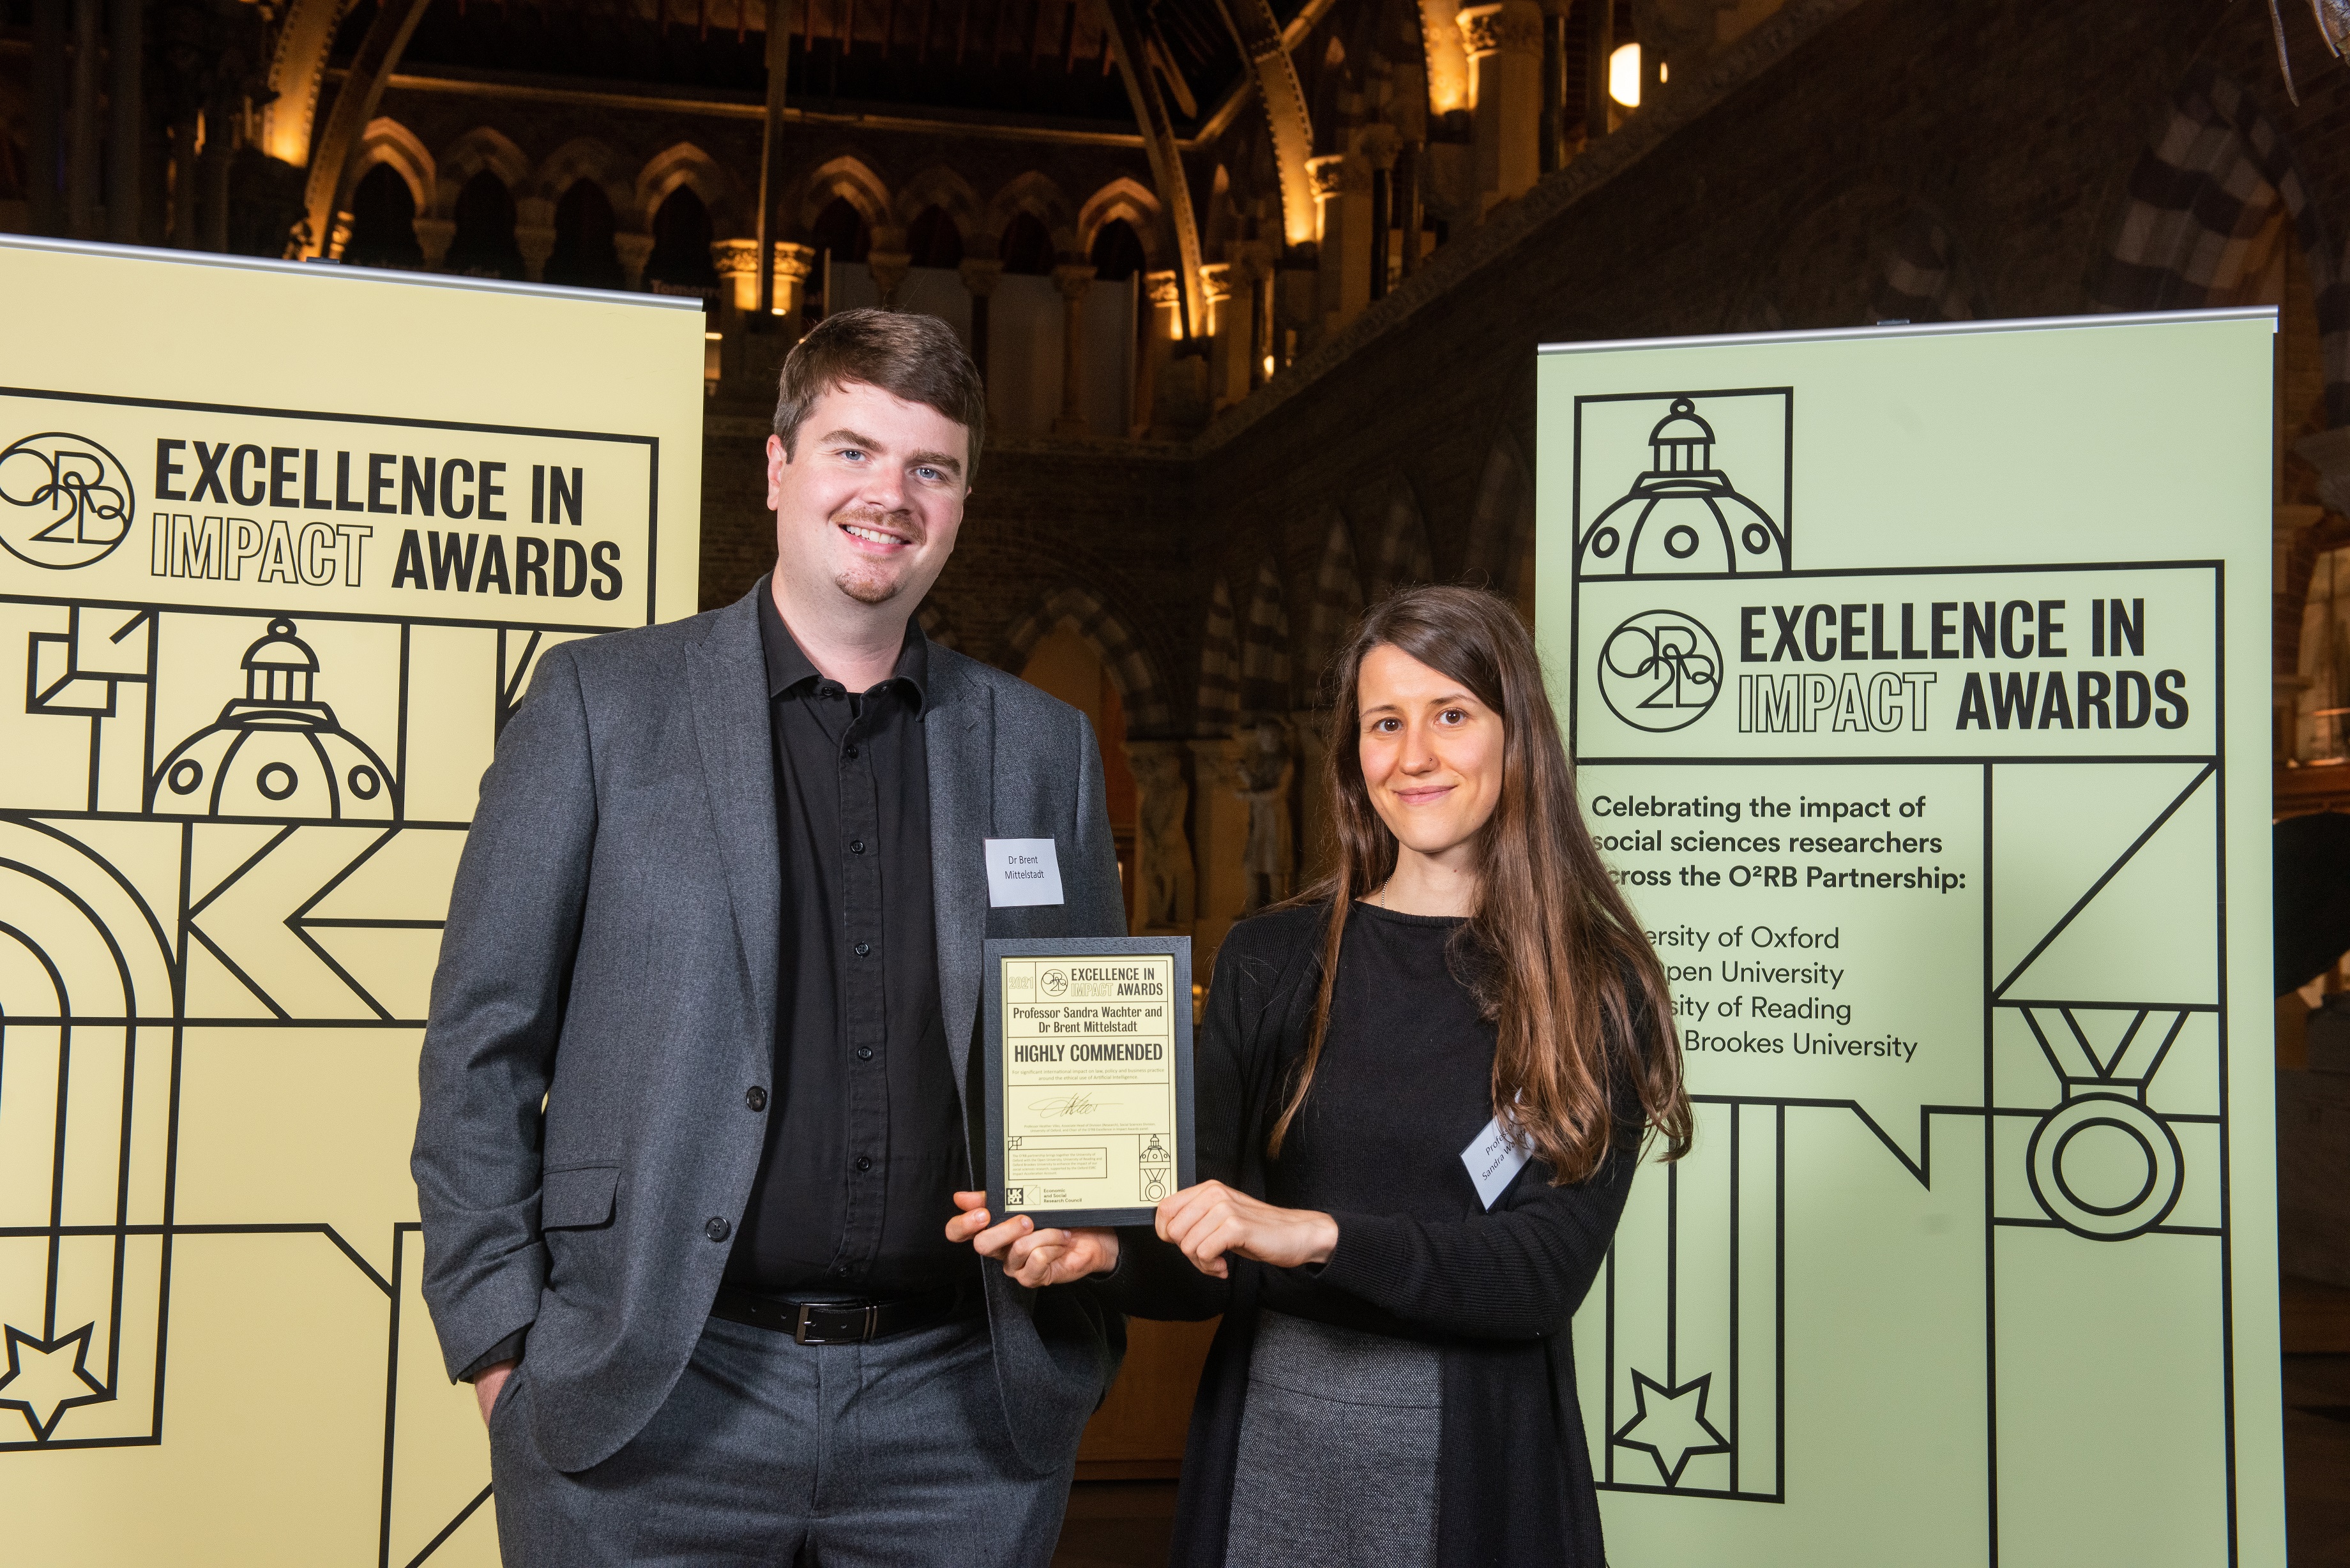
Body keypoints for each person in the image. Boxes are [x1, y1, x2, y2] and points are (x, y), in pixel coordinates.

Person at [413, 308, 1129, 1567]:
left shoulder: (1040, 748)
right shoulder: (598, 705)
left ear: (960, 503)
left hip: (957, 1418)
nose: (890, 497)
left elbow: (1077, 1052)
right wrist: (500, 1349)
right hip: (650, 1396)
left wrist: (1088, 1227)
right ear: (778, 467)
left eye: (931, 468)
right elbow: (482, 1037)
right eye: (853, 450)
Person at [951, 583, 1692, 1567]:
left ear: (1520, 740)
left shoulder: (1593, 984)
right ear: (1355, 756)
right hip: (1271, 1456)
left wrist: (1312, 1235)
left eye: (1452, 715)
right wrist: (1107, 1252)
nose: (1415, 755)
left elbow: (1539, 1275)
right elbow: (1201, 1256)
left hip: (1481, 1468)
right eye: (1385, 723)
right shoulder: (1275, 959)